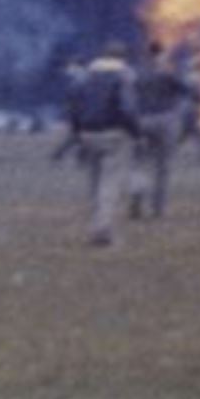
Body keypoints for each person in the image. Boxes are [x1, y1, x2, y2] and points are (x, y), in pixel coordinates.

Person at [64, 41, 140, 246]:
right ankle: (102, 231)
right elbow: (128, 107)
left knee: (94, 182)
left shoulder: (85, 76)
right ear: (122, 57)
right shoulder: (123, 76)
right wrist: (135, 131)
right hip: (113, 134)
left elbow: (74, 105)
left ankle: (94, 222)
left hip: (88, 134)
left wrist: (76, 132)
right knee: (110, 184)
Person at [129, 40, 192, 219]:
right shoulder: (167, 74)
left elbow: (131, 98)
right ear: (162, 54)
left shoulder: (139, 75)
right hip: (165, 121)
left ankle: (137, 194)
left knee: (140, 163)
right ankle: (158, 208)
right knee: (163, 167)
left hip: (142, 120)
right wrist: (178, 110)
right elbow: (186, 91)